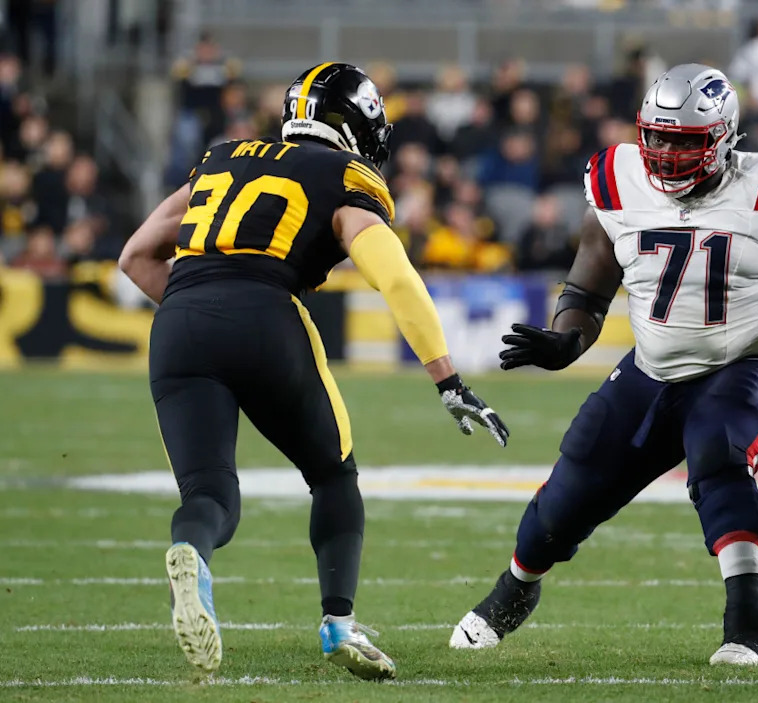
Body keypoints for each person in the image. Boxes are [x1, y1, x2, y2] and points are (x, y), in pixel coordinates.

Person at [449, 64, 758, 666]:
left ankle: (748, 619)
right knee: (573, 484)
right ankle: (513, 590)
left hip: (748, 362)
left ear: (724, 138)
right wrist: (566, 341)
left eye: (685, 141)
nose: (667, 154)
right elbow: (588, 291)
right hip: (652, 369)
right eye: (659, 137)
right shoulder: (619, 180)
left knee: (718, 447)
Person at [118, 62, 509, 680]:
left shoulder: (220, 158)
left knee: (210, 493)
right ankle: (337, 626)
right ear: (354, 125)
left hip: (179, 322)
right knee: (332, 476)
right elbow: (395, 277)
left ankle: (191, 552)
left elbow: (135, 255)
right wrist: (448, 380)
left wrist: (203, 311)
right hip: (267, 314)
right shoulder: (346, 175)